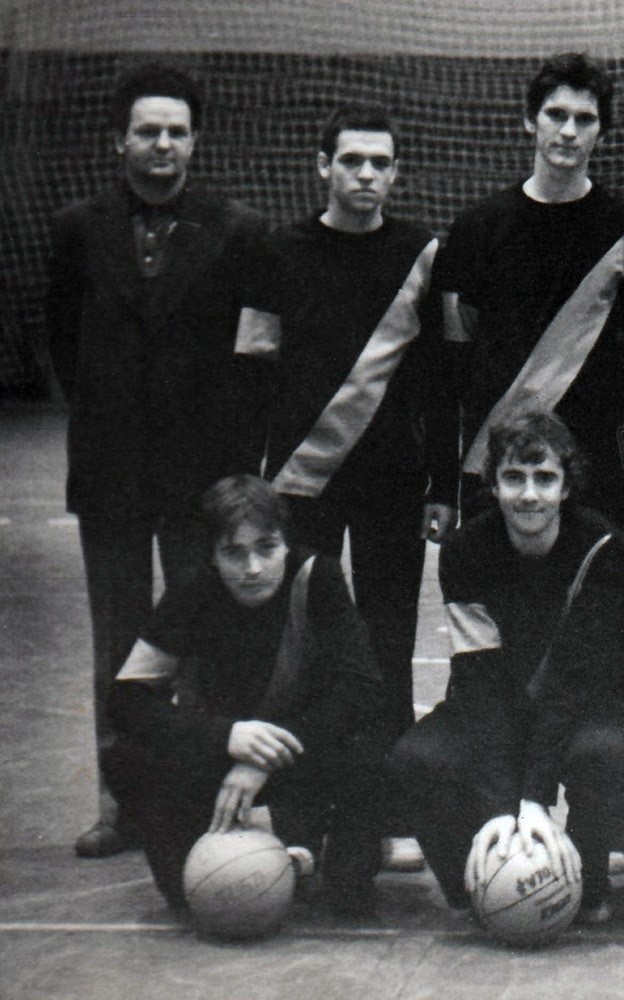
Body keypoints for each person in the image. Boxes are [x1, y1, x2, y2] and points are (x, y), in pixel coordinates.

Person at [46, 64, 267, 858]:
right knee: (118, 642)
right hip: (109, 472)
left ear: (196, 140)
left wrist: (230, 464)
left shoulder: (238, 230)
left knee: (198, 639)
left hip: (199, 477)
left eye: (177, 131)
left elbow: (255, 357)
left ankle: (200, 798)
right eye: (148, 130)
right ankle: (121, 805)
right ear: (120, 140)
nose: (163, 144)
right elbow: (62, 343)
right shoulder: (77, 229)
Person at [235, 102, 455, 756]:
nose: (366, 174)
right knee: (308, 635)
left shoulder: (423, 255)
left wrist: (444, 485)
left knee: (390, 637)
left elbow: (441, 382)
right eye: (352, 161)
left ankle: (388, 783)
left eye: (380, 163)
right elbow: (251, 378)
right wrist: (250, 483)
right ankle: (309, 780)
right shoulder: (276, 252)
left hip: (395, 481)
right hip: (301, 483)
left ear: (396, 173)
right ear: (323, 166)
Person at [384, 411, 624, 924]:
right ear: (493, 485)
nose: (529, 494)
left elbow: (573, 679)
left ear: (566, 486)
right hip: (495, 702)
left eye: (544, 478)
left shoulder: (604, 546)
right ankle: (477, 883)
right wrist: (502, 810)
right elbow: (479, 681)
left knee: (610, 753)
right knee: (416, 758)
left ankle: (586, 878)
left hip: (582, 706)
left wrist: (534, 800)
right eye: (514, 477)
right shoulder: (463, 551)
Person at [99, 474, 385, 917]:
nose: (252, 568)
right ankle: (216, 852)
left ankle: (317, 851)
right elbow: (125, 699)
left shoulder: (316, 577)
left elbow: (363, 689)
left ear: (286, 544)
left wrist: (263, 757)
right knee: (127, 759)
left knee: (369, 757)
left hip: (300, 749)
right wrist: (225, 736)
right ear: (212, 557)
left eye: (266, 547)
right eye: (234, 552)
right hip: (222, 752)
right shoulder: (193, 590)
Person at [433, 53, 624, 537]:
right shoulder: (476, 229)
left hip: (597, 470)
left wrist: (618, 445)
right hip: (496, 465)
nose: (569, 131)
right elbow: (452, 367)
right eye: (556, 114)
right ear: (530, 120)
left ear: (602, 132)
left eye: (585, 119)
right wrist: (444, 485)